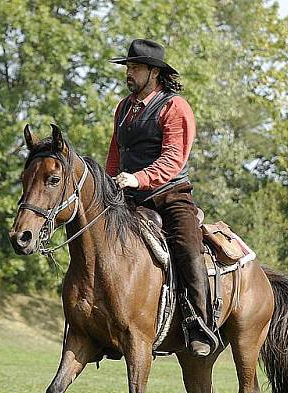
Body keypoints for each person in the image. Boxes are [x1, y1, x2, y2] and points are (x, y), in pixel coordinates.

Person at [107, 38, 216, 357]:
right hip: (128, 195)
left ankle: (199, 323)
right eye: (128, 66)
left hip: (170, 195)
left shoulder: (174, 106)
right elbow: (116, 150)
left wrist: (137, 178)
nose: (129, 73)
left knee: (187, 247)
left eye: (135, 67)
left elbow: (173, 158)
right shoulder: (124, 107)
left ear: (153, 72)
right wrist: (108, 182)